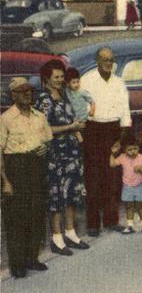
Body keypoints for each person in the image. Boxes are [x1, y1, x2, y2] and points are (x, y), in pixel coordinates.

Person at [0, 77, 53, 278]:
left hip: (36, 167)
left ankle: (33, 258)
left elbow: (48, 140)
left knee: (36, 214)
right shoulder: (6, 119)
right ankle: (18, 264)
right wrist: (5, 180)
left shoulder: (39, 116)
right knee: (16, 218)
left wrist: (44, 150)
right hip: (16, 168)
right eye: (22, 91)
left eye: (29, 91)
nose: (27, 94)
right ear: (13, 95)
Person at [35, 60, 89, 255]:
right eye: (56, 77)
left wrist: (77, 133)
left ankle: (71, 233)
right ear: (46, 79)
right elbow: (44, 129)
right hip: (56, 154)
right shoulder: (44, 99)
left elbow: (70, 118)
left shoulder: (65, 94)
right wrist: (70, 128)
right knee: (57, 195)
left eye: (61, 77)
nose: (60, 80)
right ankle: (57, 239)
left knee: (72, 193)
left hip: (71, 151)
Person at [81, 47, 132, 236]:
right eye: (104, 60)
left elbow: (125, 111)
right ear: (97, 60)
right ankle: (93, 224)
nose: (108, 63)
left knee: (112, 179)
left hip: (113, 132)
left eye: (111, 60)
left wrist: (121, 138)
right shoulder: (87, 81)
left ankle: (111, 220)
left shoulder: (119, 82)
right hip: (93, 131)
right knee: (93, 179)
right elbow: (82, 109)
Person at [110, 136, 142, 234]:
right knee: (129, 206)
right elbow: (112, 164)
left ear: (138, 148)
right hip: (127, 185)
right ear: (124, 150)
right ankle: (130, 226)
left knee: (140, 206)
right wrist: (112, 153)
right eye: (129, 150)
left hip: (139, 185)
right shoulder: (122, 157)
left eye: (135, 149)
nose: (133, 151)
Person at [65, 67, 95, 143]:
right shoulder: (67, 92)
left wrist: (92, 110)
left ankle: (80, 137)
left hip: (82, 117)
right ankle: (77, 135)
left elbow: (92, 101)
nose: (77, 84)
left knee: (82, 129)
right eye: (73, 82)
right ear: (68, 83)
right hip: (74, 117)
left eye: (78, 81)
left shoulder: (81, 91)